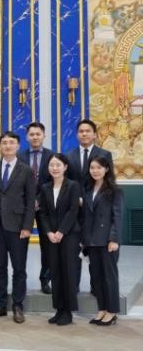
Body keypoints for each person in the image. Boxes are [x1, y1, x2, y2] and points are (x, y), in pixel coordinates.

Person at [0, 131, 35, 324]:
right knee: (0, 267)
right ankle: (0, 304)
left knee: (19, 268)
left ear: (18, 146)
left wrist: (27, 226)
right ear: (0, 145)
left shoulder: (26, 170)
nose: (7, 146)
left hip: (18, 227)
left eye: (11, 143)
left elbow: (30, 200)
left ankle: (18, 305)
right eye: (4, 143)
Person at [66, 118, 114, 292]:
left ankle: (96, 286)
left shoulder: (105, 154)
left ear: (94, 134)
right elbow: (67, 183)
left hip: (97, 210)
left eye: (88, 131)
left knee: (95, 249)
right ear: (77, 135)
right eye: (81, 131)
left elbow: (110, 181)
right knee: (74, 250)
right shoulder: (69, 155)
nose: (84, 134)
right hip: (75, 209)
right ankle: (74, 286)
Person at [38, 153, 81, 326]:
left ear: (65, 167)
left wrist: (61, 231)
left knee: (68, 272)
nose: (54, 168)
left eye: (58, 165)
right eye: (51, 165)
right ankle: (58, 309)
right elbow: (42, 213)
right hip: (51, 237)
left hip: (69, 235)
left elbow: (73, 210)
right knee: (55, 272)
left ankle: (68, 312)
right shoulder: (45, 187)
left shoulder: (73, 185)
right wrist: (49, 232)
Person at [82, 156, 123, 326]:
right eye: (92, 167)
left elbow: (117, 216)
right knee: (97, 277)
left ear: (106, 169)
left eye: (99, 167)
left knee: (109, 277)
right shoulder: (87, 189)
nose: (95, 171)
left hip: (107, 241)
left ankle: (112, 311)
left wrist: (114, 239)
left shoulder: (115, 190)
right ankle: (102, 309)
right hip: (91, 240)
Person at [18, 122, 53, 294]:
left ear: (44, 136)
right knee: (20, 244)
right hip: (23, 207)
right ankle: (20, 280)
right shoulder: (19, 156)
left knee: (47, 245)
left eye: (38, 134)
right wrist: (29, 200)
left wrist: (38, 199)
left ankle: (45, 279)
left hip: (45, 207)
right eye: (31, 134)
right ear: (27, 137)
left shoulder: (52, 156)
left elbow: (54, 181)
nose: (35, 137)